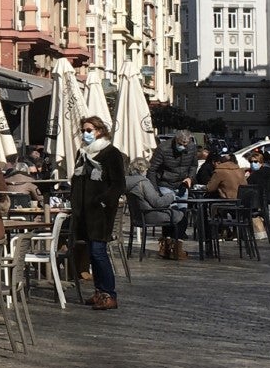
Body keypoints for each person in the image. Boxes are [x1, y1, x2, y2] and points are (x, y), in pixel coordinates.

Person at [73, 116, 128, 311]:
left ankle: (109, 294)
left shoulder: (110, 153)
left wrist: (103, 201)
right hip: (84, 213)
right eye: (83, 130)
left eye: (89, 130)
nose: (85, 134)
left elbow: (119, 184)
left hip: (100, 213)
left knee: (98, 252)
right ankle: (99, 292)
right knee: (92, 253)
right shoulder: (84, 153)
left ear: (99, 131)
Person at [124, 158, 187, 259]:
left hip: (138, 216)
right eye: (147, 169)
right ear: (142, 169)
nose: (147, 172)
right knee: (181, 217)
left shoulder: (127, 182)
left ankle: (166, 247)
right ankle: (176, 250)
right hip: (150, 215)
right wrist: (171, 195)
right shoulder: (143, 182)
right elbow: (158, 203)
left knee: (171, 216)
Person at [147, 129, 199, 197]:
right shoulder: (163, 148)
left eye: (186, 145)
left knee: (183, 207)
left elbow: (194, 165)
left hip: (182, 185)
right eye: (180, 144)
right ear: (176, 139)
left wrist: (190, 178)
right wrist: (155, 190)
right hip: (165, 184)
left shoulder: (192, 147)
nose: (183, 147)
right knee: (171, 207)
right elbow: (151, 169)